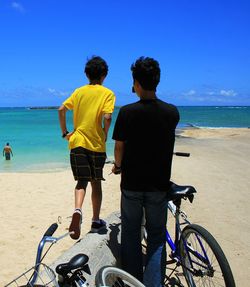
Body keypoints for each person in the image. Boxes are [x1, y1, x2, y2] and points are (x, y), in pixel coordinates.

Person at [112, 57, 180, 287]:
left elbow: (119, 146)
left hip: (131, 184)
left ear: (136, 83)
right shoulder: (172, 112)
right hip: (158, 186)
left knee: (130, 234)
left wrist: (118, 166)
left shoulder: (127, 112)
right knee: (156, 237)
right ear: (157, 81)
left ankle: (133, 283)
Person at [58, 56, 115, 240]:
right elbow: (107, 117)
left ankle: (77, 210)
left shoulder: (79, 92)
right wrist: (105, 134)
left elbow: (61, 109)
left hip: (77, 143)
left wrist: (65, 132)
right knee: (96, 183)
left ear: (86, 74)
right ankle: (96, 220)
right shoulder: (107, 93)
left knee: (81, 181)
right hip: (96, 145)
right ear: (104, 75)